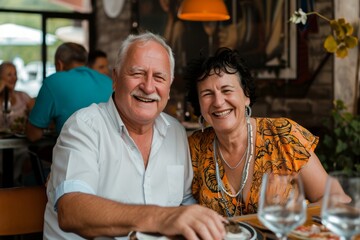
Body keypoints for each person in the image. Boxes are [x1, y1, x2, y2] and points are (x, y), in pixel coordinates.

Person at [43, 32, 226, 240]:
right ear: (115, 78)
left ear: (169, 85)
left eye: (159, 77)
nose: (148, 87)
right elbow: (71, 210)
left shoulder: (175, 131)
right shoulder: (83, 126)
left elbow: (184, 201)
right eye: (137, 73)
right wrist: (163, 217)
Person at [184, 47, 348, 217]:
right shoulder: (194, 149)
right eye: (207, 94)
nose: (218, 102)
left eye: (227, 90)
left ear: (246, 95)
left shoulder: (283, 135)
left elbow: (338, 198)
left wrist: (292, 213)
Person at [26, 42, 113, 142]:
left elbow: (33, 135)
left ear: (59, 64)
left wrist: (31, 111)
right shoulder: (109, 82)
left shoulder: (53, 82)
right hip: (111, 154)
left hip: (74, 154)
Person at [0, 61, 34, 183]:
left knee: (30, 161)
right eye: (9, 74)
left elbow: (39, 114)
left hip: (20, 148)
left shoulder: (23, 97)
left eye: (15, 74)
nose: (14, 78)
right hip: (1, 148)